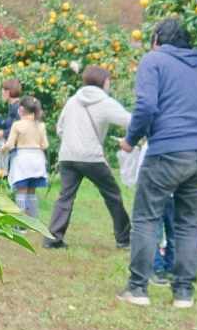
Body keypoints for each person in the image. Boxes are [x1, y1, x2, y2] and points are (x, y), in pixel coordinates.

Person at [118, 18, 197, 309]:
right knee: (189, 222)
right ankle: (183, 293)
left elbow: (146, 105)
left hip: (168, 149)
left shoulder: (154, 60)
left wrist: (131, 139)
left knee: (147, 217)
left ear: (156, 39)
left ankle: (138, 288)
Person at [45, 65, 132, 250]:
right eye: (109, 80)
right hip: (91, 157)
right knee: (113, 196)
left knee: (65, 197)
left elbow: (60, 128)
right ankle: (124, 239)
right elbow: (129, 121)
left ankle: (52, 239)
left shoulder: (73, 100)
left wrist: (72, 142)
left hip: (67, 156)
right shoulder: (104, 102)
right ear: (103, 82)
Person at [0, 96, 49, 218]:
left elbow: (10, 144)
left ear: (21, 109)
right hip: (37, 160)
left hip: (22, 159)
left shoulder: (17, 125)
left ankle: (20, 223)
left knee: (21, 192)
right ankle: (33, 220)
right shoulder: (41, 125)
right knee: (32, 191)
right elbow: (45, 145)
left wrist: (3, 149)